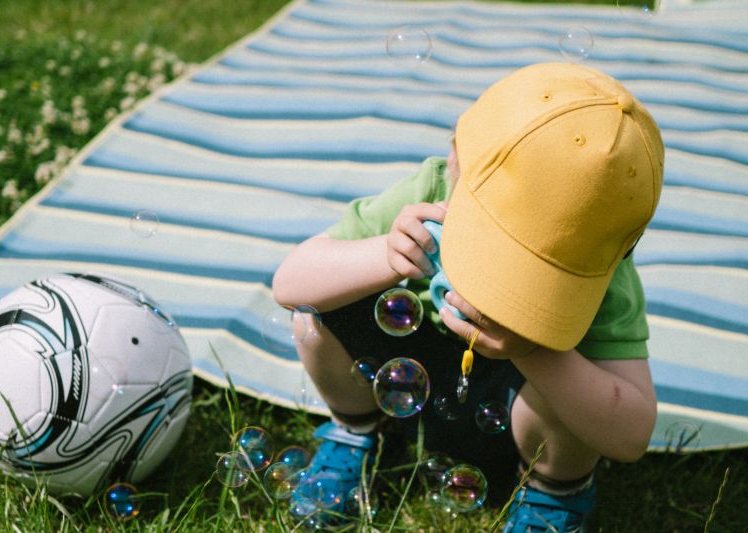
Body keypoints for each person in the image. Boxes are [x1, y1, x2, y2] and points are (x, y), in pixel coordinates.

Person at [272, 62, 663, 532]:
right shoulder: (431, 190)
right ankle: (356, 432)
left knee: (585, 381)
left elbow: (631, 434)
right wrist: (388, 255)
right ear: (455, 161)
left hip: (521, 409)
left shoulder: (603, 273)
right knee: (313, 318)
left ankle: (554, 491)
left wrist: (533, 349)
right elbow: (290, 284)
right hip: (413, 382)